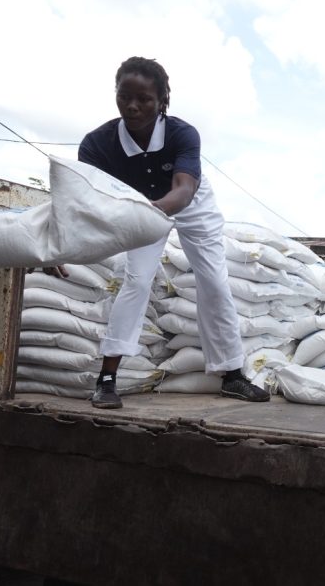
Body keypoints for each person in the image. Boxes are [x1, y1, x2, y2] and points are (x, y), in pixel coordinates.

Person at [78, 56, 268, 409]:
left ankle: (232, 374)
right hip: (139, 206)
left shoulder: (182, 134)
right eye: (124, 96)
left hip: (189, 200)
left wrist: (152, 211)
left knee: (212, 278)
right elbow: (83, 200)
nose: (132, 106)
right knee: (136, 281)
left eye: (144, 99)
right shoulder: (97, 144)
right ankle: (106, 380)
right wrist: (62, 250)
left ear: (162, 101)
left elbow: (183, 190)